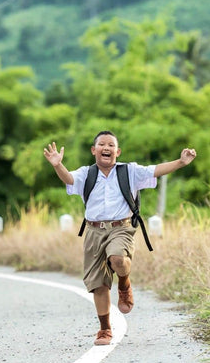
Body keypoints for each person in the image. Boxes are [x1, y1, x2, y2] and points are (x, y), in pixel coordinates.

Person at [43, 130, 197, 346]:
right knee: (98, 284)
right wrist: (58, 165)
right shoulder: (86, 173)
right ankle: (105, 329)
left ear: (117, 151)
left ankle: (124, 283)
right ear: (93, 150)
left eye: (111, 145)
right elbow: (69, 179)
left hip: (121, 228)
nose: (106, 148)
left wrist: (181, 162)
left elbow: (155, 171)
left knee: (117, 259)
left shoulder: (130, 171)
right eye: (102, 145)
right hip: (93, 231)